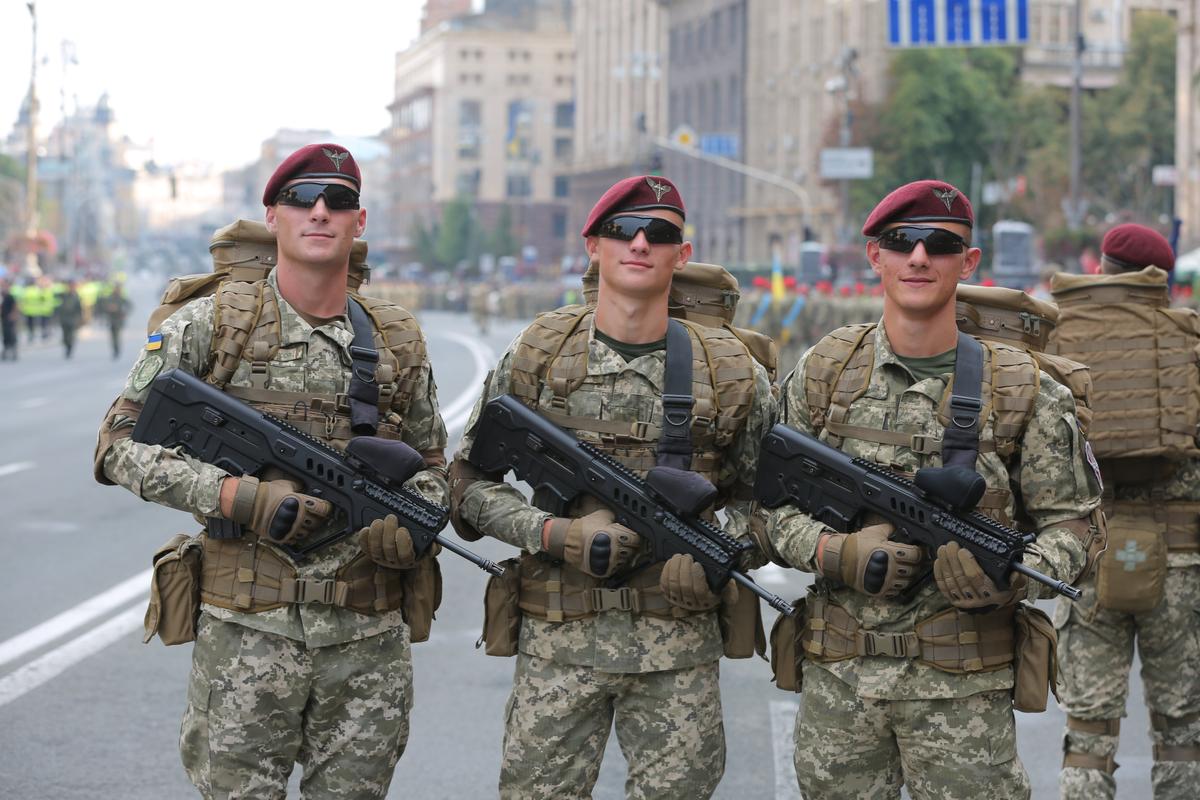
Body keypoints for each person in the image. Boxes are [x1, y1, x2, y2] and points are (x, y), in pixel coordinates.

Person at [93, 143, 449, 799]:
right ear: (274, 215)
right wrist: (233, 494)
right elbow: (116, 446)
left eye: (338, 201)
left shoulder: (396, 340)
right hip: (246, 632)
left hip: (367, 642)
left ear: (358, 222)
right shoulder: (212, 326)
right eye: (302, 198)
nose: (320, 211)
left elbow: (432, 465)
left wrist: (412, 521)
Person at [763, 179, 1104, 799]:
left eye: (940, 245)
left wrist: (1016, 575)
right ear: (876, 256)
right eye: (902, 242)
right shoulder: (825, 370)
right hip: (841, 686)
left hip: (964, 696)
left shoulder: (1023, 389)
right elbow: (769, 505)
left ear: (968, 262)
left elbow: (1075, 526)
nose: (919, 258)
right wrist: (832, 552)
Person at [449, 175, 775, 799]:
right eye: (622, 232)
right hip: (557, 643)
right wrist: (550, 532)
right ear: (593, 246)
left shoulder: (732, 371)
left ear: (682, 255)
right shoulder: (538, 354)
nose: (640, 244)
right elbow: (467, 481)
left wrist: (715, 554)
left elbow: (774, 506)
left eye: (661, 235)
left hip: (677, 652)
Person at [1048, 224, 1200, 799]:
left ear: (1103, 268)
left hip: (1089, 556)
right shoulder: (1189, 344)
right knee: (1181, 726)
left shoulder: (1062, 344)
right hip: (1179, 565)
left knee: (1088, 728)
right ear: (1162, 281)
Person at [96, 279, 132, 359]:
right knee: (113, 336)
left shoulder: (122, 298)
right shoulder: (109, 298)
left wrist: (122, 311)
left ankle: (117, 350)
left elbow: (128, 307)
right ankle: (115, 349)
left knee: (116, 335)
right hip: (111, 319)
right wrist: (109, 308)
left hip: (119, 319)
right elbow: (103, 307)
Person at [57, 278, 84, 359]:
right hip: (64, 318)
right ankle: (66, 346)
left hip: (73, 318)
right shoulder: (63, 295)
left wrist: (80, 319)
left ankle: (70, 349)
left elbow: (79, 309)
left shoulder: (76, 296)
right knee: (65, 335)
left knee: (71, 335)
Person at [1, 278, 18, 361]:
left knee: (11, 334)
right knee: (5, 335)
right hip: (4, 318)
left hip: (10, 318)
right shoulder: (2, 296)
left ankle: (13, 351)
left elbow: (15, 306)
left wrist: (13, 315)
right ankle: (6, 351)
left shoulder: (11, 296)